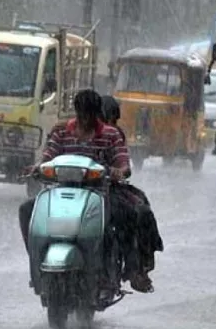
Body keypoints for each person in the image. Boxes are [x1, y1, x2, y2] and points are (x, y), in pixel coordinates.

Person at [18, 89, 154, 293]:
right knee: (26, 210)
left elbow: (123, 163)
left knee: (121, 219)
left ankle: (123, 271)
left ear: (96, 113)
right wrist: (36, 168)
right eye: (82, 114)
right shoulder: (62, 132)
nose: (85, 119)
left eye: (90, 114)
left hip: (100, 193)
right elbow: (48, 157)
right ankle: (37, 261)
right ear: (76, 111)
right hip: (62, 191)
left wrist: (119, 171)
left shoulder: (110, 135)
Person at [100, 95, 164, 280]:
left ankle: (138, 267)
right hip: (80, 189)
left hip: (107, 188)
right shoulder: (72, 132)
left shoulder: (114, 135)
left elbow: (122, 163)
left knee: (139, 210)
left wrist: (117, 171)